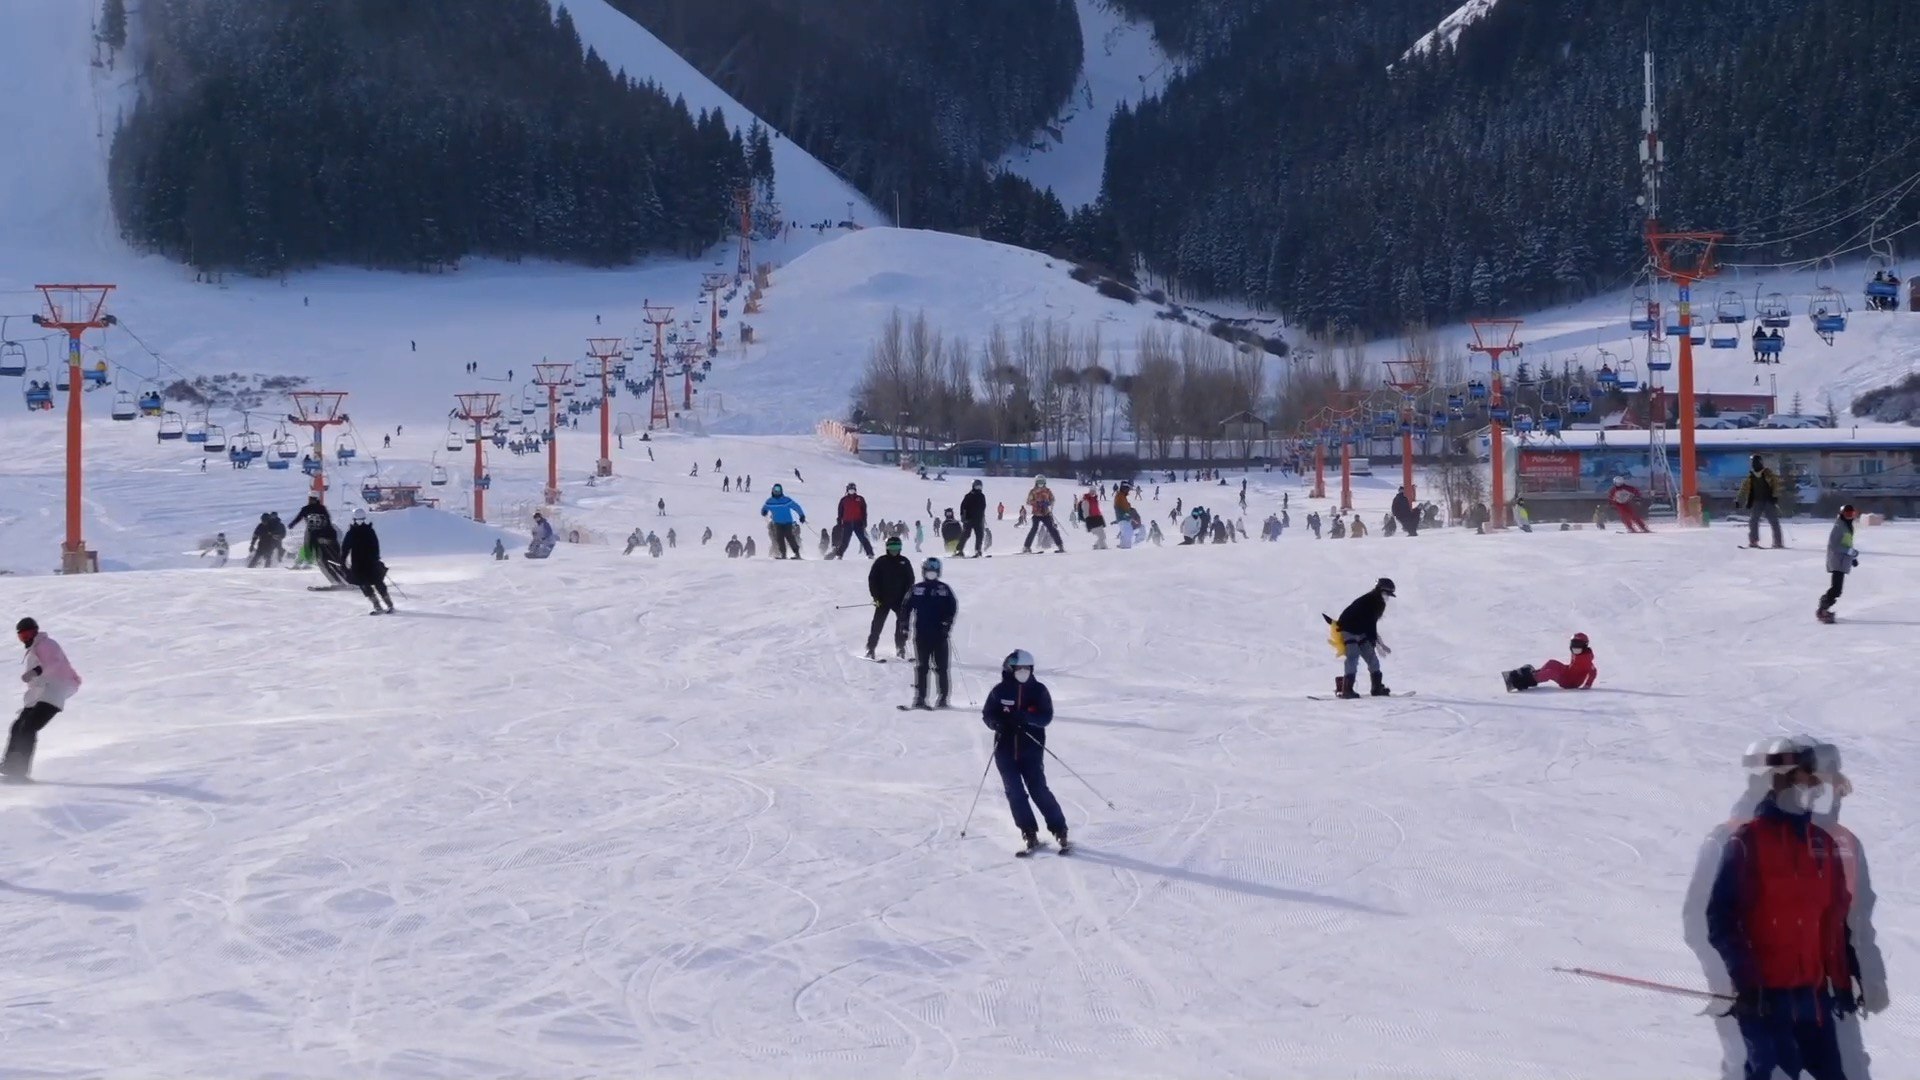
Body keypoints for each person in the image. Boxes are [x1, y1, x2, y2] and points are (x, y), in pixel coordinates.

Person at [1704, 737, 1873, 1080]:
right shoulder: (1748, 842)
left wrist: (1845, 977)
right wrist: (1745, 978)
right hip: (1764, 997)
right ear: (1780, 782)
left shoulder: (1823, 846)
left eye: (1814, 782)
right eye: (1804, 780)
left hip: (1812, 998)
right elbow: (1720, 916)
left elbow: (1834, 921)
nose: (1812, 790)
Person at [981, 649, 1069, 855]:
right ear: (1009, 669)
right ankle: (1028, 831)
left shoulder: (1038, 691)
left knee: (1038, 789)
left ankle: (1059, 828)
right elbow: (988, 714)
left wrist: (1026, 718)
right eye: (1019, 668)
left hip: (1031, 748)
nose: (1023, 672)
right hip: (1004, 749)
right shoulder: (999, 691)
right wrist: (996, 723)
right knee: (1015, 791)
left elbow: (1046, 717)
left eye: (1027, 668)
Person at [4, 618, 81, 781]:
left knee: (28, 727)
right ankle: (10, 764)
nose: (25, 639)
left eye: (28, 634)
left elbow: (55, 663)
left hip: (54, 693)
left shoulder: (47, 644)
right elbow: (35, 683)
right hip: (38, 696)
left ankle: (20, 769)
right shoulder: (33, 650)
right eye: (22, 636)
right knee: (17, 726)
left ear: (36, 631)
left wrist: (36, 671)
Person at [904, 557, 956, 709]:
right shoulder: (917, 589)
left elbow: (952, 608)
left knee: (942, 668)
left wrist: (947, 623)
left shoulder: (944, 589)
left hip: (940, 635)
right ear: (924, 572)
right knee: (922, 666)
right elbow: (906, 608)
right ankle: (920, 698)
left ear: (938, 572)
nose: (931, 574)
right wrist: (904, 625)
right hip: (922, 634)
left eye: (933, 571)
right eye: (928, 571)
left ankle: (943, 698)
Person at [1329, 577, 1395, 699]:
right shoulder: (1369, 601)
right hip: (1348, 629)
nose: (1387, 597)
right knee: (1353, 656)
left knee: (1372, 658)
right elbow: (1369, 622)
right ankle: (1347, 689)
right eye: (1386, 593)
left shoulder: (1379, 603)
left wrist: (1378, 643)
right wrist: (1376, 641)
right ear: (1379, 591)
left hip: (1361, 631)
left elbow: (1371, 624)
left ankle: (1376, 687)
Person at [865, 536, 915, 660]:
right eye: (892, 547)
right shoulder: (881, 562)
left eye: (897, 547)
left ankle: (900, 647)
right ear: (887, 548)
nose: (894, 550)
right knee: (877, 624)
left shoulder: (904, 562)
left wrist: (908, 597)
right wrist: (876, 596)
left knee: (902, 624)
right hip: (883, 599)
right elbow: (873, 580)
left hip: (900, 600)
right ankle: (870, 648)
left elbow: (910, 580)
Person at [342, 508, 395, 614]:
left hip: (360, 564)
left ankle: (379, 605)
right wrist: (376, 557)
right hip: (369, 562)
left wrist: (342, 562)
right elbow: (376, 546)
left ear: (353, 519)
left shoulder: (352, 533)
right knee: (376, 583)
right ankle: (386, 604)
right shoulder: (369, 531)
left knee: (366, 584)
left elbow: (345, 549)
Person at [1503, 632, 1598, 691]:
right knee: (1552, 662)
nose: (1575, 647)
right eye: (1574, 644)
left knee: (1550, 673)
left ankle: (1527, 680)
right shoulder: (1578, 653)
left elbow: (1593, 671)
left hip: (1569, 682)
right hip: (1568, 672)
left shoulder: (1586, 660)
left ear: (1585, 646)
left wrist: (1587, 685)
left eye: (1578, 644)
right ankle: (1535, 674)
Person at [289, 495, 348, 584]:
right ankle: (341, 580)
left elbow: (326, 522)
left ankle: (342, 580)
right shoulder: (316, 509)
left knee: (327, 561)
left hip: (324, 538)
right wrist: (292, 524)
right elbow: (299, 518)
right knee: (331, 561)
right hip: (325, 537)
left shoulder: (317, 510)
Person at [1816, 504, 1858, 624]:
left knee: (1837, 589)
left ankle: (1823, 608)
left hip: (1843, 561)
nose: (1850, 517)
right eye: (1847, 514)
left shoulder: (1847, 526)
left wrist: (1852, 557)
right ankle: (1822, 609)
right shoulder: (1838, 526)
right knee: (1836, 589)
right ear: (1842, 514)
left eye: (1852, 514)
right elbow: (1834, 545)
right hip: (1837, 560)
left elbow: (1847, 543)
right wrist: (1849, 552)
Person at [1738, 454, 1786, 549]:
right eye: (1752, 462)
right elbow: (1744, 488)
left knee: (1773, 521)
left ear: (1760, 462)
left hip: (1768, 500)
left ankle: (1778, 542)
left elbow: (1776, 484)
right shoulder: (1751, 477)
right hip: (1757, 501)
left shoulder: (1768, 474)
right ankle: (1753, 541)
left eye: (1755, 462)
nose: (1754, 464)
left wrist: (1775, 496)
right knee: (1753, 521)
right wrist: (1739, 498)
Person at [760, 483, 807, 559]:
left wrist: (801, 515)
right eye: (775, 490)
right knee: (779, 538)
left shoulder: (786, 500)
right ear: (773, 491)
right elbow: (764, 509)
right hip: (777, 523)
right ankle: (783, 554)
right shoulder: (770, 501)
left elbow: (796, 506)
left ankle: (797, 554)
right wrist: (764, 512)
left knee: (790, 537)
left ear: (781, 491)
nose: (777, 491)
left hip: (787, 522)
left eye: (778, 490)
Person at [1023, 476, 1065, 553]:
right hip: (1036, 514)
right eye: (1039, 482)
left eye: (1042, 482)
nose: (1040, 484)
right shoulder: (1033, 491)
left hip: (1045, 513)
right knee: (1034, 529)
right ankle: (1026, 547)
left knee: (1052, 529)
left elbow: (1052, 499)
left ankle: (1060, 546)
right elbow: (1028, 501)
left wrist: (1048, 503)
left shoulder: (1047, 491)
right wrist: (1036, 503)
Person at [833, 483, 873, 559]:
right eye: (850, 489)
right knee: (845, 540)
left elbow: (864, 511)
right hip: (847, 523)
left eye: (853, 489)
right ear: (847, 490)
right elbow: (840, 512)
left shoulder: (860, 499)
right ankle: (839, 555)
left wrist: (864, 521)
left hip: (858, 522)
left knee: (863, 538)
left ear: (855, 490)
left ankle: (870, 553)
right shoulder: (844, 500)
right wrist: (839, 521)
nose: (851, 491)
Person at [959, 480, 988, 557]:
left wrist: (982, 516)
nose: (978, 488)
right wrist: (962, 516)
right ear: (973, 486)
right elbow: (963, 506)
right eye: (977, 486)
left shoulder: (982, 496)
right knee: (966, 534)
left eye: (980, 486)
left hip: (978, 519)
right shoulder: (969, 496)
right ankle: (959, 550)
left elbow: (983, 507)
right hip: (969, 519)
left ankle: (978, 550)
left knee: (979, 535)